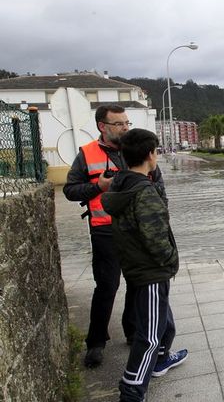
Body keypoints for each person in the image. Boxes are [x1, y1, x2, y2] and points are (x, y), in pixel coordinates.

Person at [63, 105, 165, 368]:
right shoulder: (87, 154)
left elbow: (159, 187)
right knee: (107, 286)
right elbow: (71, 190)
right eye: (118, 124)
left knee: (137, 281)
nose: (125, 128)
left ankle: (132, 331)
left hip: (136, 230)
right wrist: (99, 185)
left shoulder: (139, 149)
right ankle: (96, 343)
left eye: (126, 123)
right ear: (102, 127)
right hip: (105, 229)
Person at [102, 128, 187, 401]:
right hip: (150, 271)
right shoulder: (144, 192)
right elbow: (155, 235)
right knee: (149, 336)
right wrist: (171, 260)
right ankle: (132, 390)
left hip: (138, 268)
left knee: (165, 323)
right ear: (151, 154)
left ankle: (162, 360)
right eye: (156, 151)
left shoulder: (121, 184)